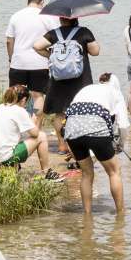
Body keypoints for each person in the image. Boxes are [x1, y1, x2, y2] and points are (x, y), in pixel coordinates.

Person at [34, 14, 100, 163]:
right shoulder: (84, 32)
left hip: (58, 79)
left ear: (61, 19)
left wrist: (51, 55)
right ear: (76, 17)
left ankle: (62, 145)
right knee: (79, 113)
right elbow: (95, 51)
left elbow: (36, 46)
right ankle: (77, 146)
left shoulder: (53, 34)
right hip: (80, 79)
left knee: (59, 113)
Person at [62, 72, 128, 214]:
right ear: (116, 85)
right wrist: (121, 145)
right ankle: (121, 213)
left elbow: (71, 113)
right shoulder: (116, 93)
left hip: (72, 129)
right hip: (95, 127)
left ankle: (87, 213)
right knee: (114, 171)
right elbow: (123, 125)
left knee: (87, 173)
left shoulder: (88, 88)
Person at [5, 0, 60, 117]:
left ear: (28, 1)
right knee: (37, 95)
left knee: (15, 95)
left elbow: (9, 41)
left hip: (18, 63)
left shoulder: (16, 16)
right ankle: (34, 125)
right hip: (39, 63)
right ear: (42, 1)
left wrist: (10, 58)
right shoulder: (47, 16)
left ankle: (16, 125)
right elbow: (56, 37)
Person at [0, 85, 56, 176]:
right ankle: (46, 172)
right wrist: (34, 117)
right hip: (4, 157)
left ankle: (10, 167)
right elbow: (35, 133)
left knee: (15, 140)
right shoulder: (20, 111)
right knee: (41, 136)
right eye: (27, 102)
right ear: (23, 100)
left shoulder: (0, 107)